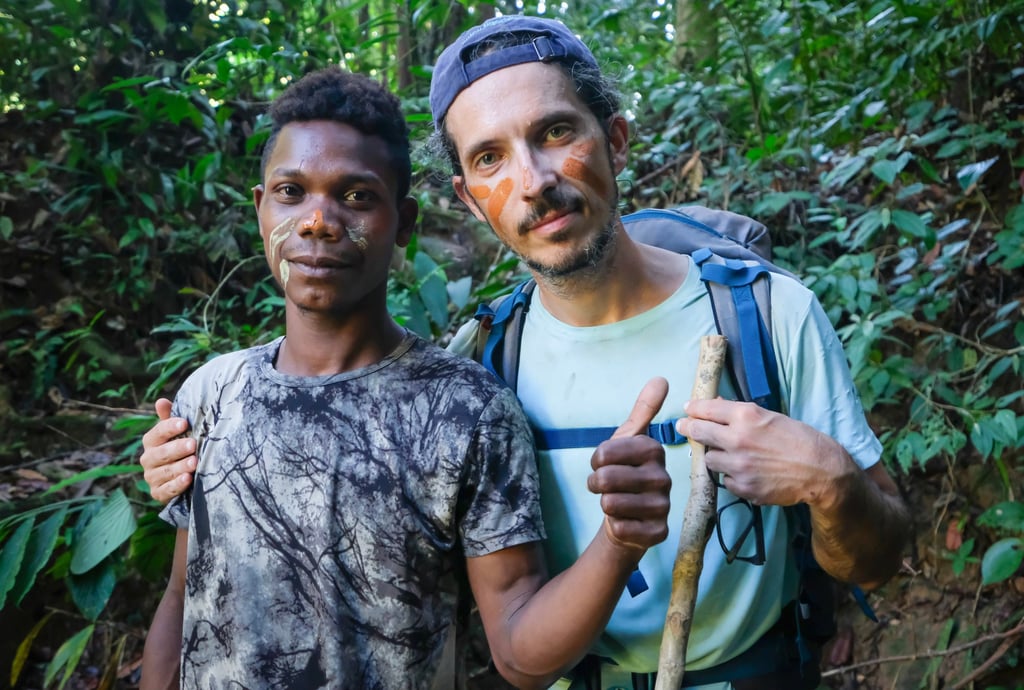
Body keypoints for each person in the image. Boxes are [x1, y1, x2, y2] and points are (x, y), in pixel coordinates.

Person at [141, 15, 912, 689]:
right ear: (469, 198)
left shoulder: (765, 315)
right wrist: (196, 454)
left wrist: (831, 482)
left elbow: (877, 561)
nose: (534, 181)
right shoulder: (486, 361)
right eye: (490, 159)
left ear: (613, 138)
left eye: (555, 133)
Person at [139, 65, 675, 690]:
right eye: (291, 192)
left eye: (357, 196)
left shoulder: (466, 410)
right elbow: (183, 599)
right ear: (261, 210)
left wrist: (619, 541)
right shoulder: (213, 394)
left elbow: (521, 654)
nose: (317, 221)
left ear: (405, 221)